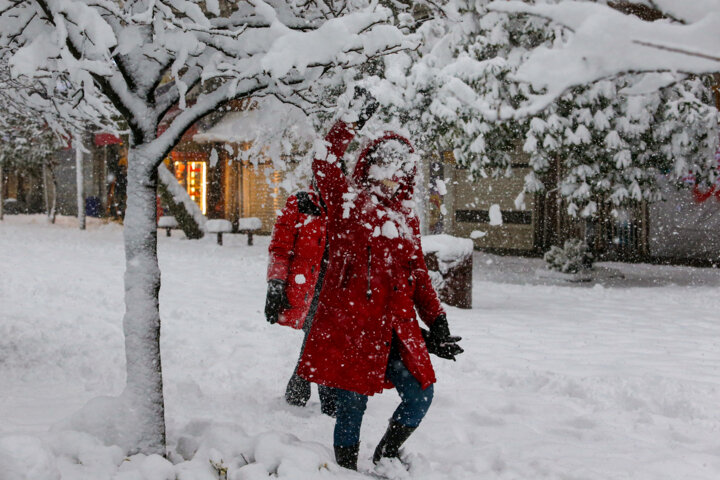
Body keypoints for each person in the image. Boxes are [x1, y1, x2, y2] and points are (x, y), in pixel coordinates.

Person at [297, 89, 463, 471]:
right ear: (369, 164)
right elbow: (323, 160)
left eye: (399, 165)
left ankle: (386, 454)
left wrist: (437, 322)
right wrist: (350, 121)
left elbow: (419, 275)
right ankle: (345, 470)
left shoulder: (407, 218)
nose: (391, 173)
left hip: (395, 331)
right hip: (353, 330)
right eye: (384, 163)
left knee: (422, 392)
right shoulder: (346, 203)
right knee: (351, 408)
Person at [265, 185, 336, 416]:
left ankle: (300, 390)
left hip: (338, 289)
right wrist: (276, 283)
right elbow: (280, 248)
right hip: (308, 287)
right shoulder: (300, 203)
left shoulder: (346, 206)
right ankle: (321, 398)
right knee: (318, 336)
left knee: (321, 339)